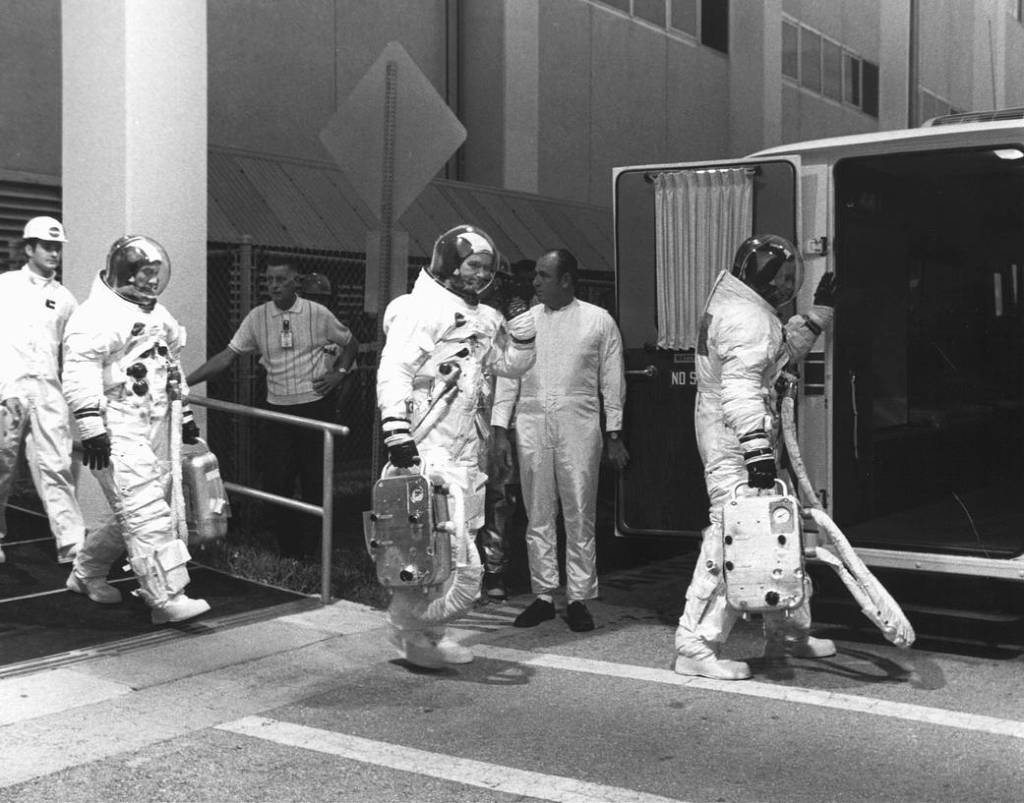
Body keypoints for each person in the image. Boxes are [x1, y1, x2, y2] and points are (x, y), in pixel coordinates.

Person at [673, 233, 840, 680]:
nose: (786, 285)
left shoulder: (745, 311)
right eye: (781, 277)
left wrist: (816, 320)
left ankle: (788, 632)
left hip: (738, 435)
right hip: (737, 441)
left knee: (777, 531)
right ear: (763, 278)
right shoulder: (748, 318)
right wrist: (756, 448)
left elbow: (775, 360)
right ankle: (696, 644)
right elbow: (743, 387)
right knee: (734, 537)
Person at [377, 224, 536, 668]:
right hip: (427, 444)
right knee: (430, 544)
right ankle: (409, 630)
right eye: (471, 265)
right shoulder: (419, 309)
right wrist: (396, 430)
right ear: (449, 262)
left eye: (485, 268)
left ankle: (428, 632)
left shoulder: (486, 318)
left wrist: (523, 337)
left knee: (453, 543)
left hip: (465, 450)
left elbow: (508, 366)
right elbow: (395, 372)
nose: (478, 275)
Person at [62, 235, 209, 623]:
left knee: (139, 505)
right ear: (125, 272)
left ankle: (86, 573)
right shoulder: (94, 316)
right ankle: (166, 597)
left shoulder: (159, 316)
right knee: (144, 509)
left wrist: (186, 417)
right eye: (144, 273)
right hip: (116, 422)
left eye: (155, 274)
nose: (150, 282)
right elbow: (79, 371)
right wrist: (91, 425)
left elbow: (171, 369)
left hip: (156, 421)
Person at [493, 248, 628, 633]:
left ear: (566, 279)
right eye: (535, 275)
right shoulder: (525, 323)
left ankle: (580, 597)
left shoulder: (597, 321)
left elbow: (612, 381)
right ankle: (543, 595)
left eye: (542, 275)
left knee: (579, 511)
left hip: (578, 423)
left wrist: (614, 431)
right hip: (533, 421)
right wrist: (501, 429)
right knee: (537, 511)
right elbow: (507, 377)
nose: (534, 282)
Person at [186, 262, 358, 558]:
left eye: (281, 280)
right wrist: (184, 383)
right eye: (269, 280)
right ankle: (289, 551)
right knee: (277, 482)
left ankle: (314, 551)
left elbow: (350, 343)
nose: (274, 285)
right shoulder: (258, 317)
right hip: (277, 412)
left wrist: (338, 373)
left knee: (314, 482)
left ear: (296, 283)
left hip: (314, 409)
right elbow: (228, 356)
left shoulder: (317, 314)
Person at [0, 217, 87, 565]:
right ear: (29, 248)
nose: (53, 253)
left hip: (48, 392)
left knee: (57, 466)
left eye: (57, 247)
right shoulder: (5, 286)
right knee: (1, 465)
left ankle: (72, 545)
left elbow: (75, 351)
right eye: (46, 246)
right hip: (9, 389)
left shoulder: (65, 299)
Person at [476, 258, 536, 601]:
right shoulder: (471, 319)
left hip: (507, 421)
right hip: (470, 420)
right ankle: (465, 571)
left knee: (500, 498)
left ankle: (495, 572)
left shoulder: (521, 322)